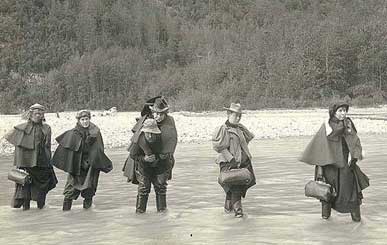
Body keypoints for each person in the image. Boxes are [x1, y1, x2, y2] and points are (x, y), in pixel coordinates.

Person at [300, 102, 369, 222]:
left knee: (352, 193)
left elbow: (355, 140)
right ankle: (325, 221)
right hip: (329, 165)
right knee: (327, 194)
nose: (343, 113)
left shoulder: (348, 123)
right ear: (334, 112)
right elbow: (319, 147)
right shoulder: (327, 125)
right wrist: (320, 170)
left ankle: (357, 221)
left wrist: (355, 156)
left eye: (345, 110)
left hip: (346, 165)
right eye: (340, 111)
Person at [51, 110, 113, 211]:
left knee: (89, 191)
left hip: (91, 167)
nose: (85, 122)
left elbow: (100, 149)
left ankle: (88, 214)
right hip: (76, 167)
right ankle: (66, 213)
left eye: (87, 119)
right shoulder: (73, 133)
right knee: (69, 192)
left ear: (89, 119)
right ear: (79, 121)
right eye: (82, 120)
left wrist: (96, 162)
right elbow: (68, 152)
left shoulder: (96, 132)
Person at [128, 96, 177, 213]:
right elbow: (134, 150)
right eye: (156, 113)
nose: (158, 116)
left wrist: (162, 156)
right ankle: (140, 213)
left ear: (165, 113)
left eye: (161, 114)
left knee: (161, 187)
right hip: (144, 162)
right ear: (152, 112)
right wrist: (144, 158)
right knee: (143, 188)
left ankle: (162, 213)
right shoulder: (145, 123)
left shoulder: (169, 123)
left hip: (162, 161)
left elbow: (172, 141)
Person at [5, 103, 57, 210]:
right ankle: (26, 212)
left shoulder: (47, 128)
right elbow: (18, 148)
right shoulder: (21, 129)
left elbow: (47, 146)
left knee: (42, 191)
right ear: (30, 114)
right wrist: (20, 165)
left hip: (42, 164)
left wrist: (49, 163)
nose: (38, 116)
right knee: (25, 193)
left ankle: (41, 212)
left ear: (43, 115)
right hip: (26, 165)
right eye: (36, 113)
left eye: (40, 113)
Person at [212, 103, 256, 217]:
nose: (237, 118)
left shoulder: (239, 128)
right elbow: (219, 147)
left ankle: (228, 212)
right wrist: (231, 159)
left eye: (239, 116)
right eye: (235, 115)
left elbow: (248, 138)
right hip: (229, 164)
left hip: (242, 163)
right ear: (228, 114)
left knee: (232, 189)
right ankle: (238, 214)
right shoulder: (223, 129)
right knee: (235, 188)